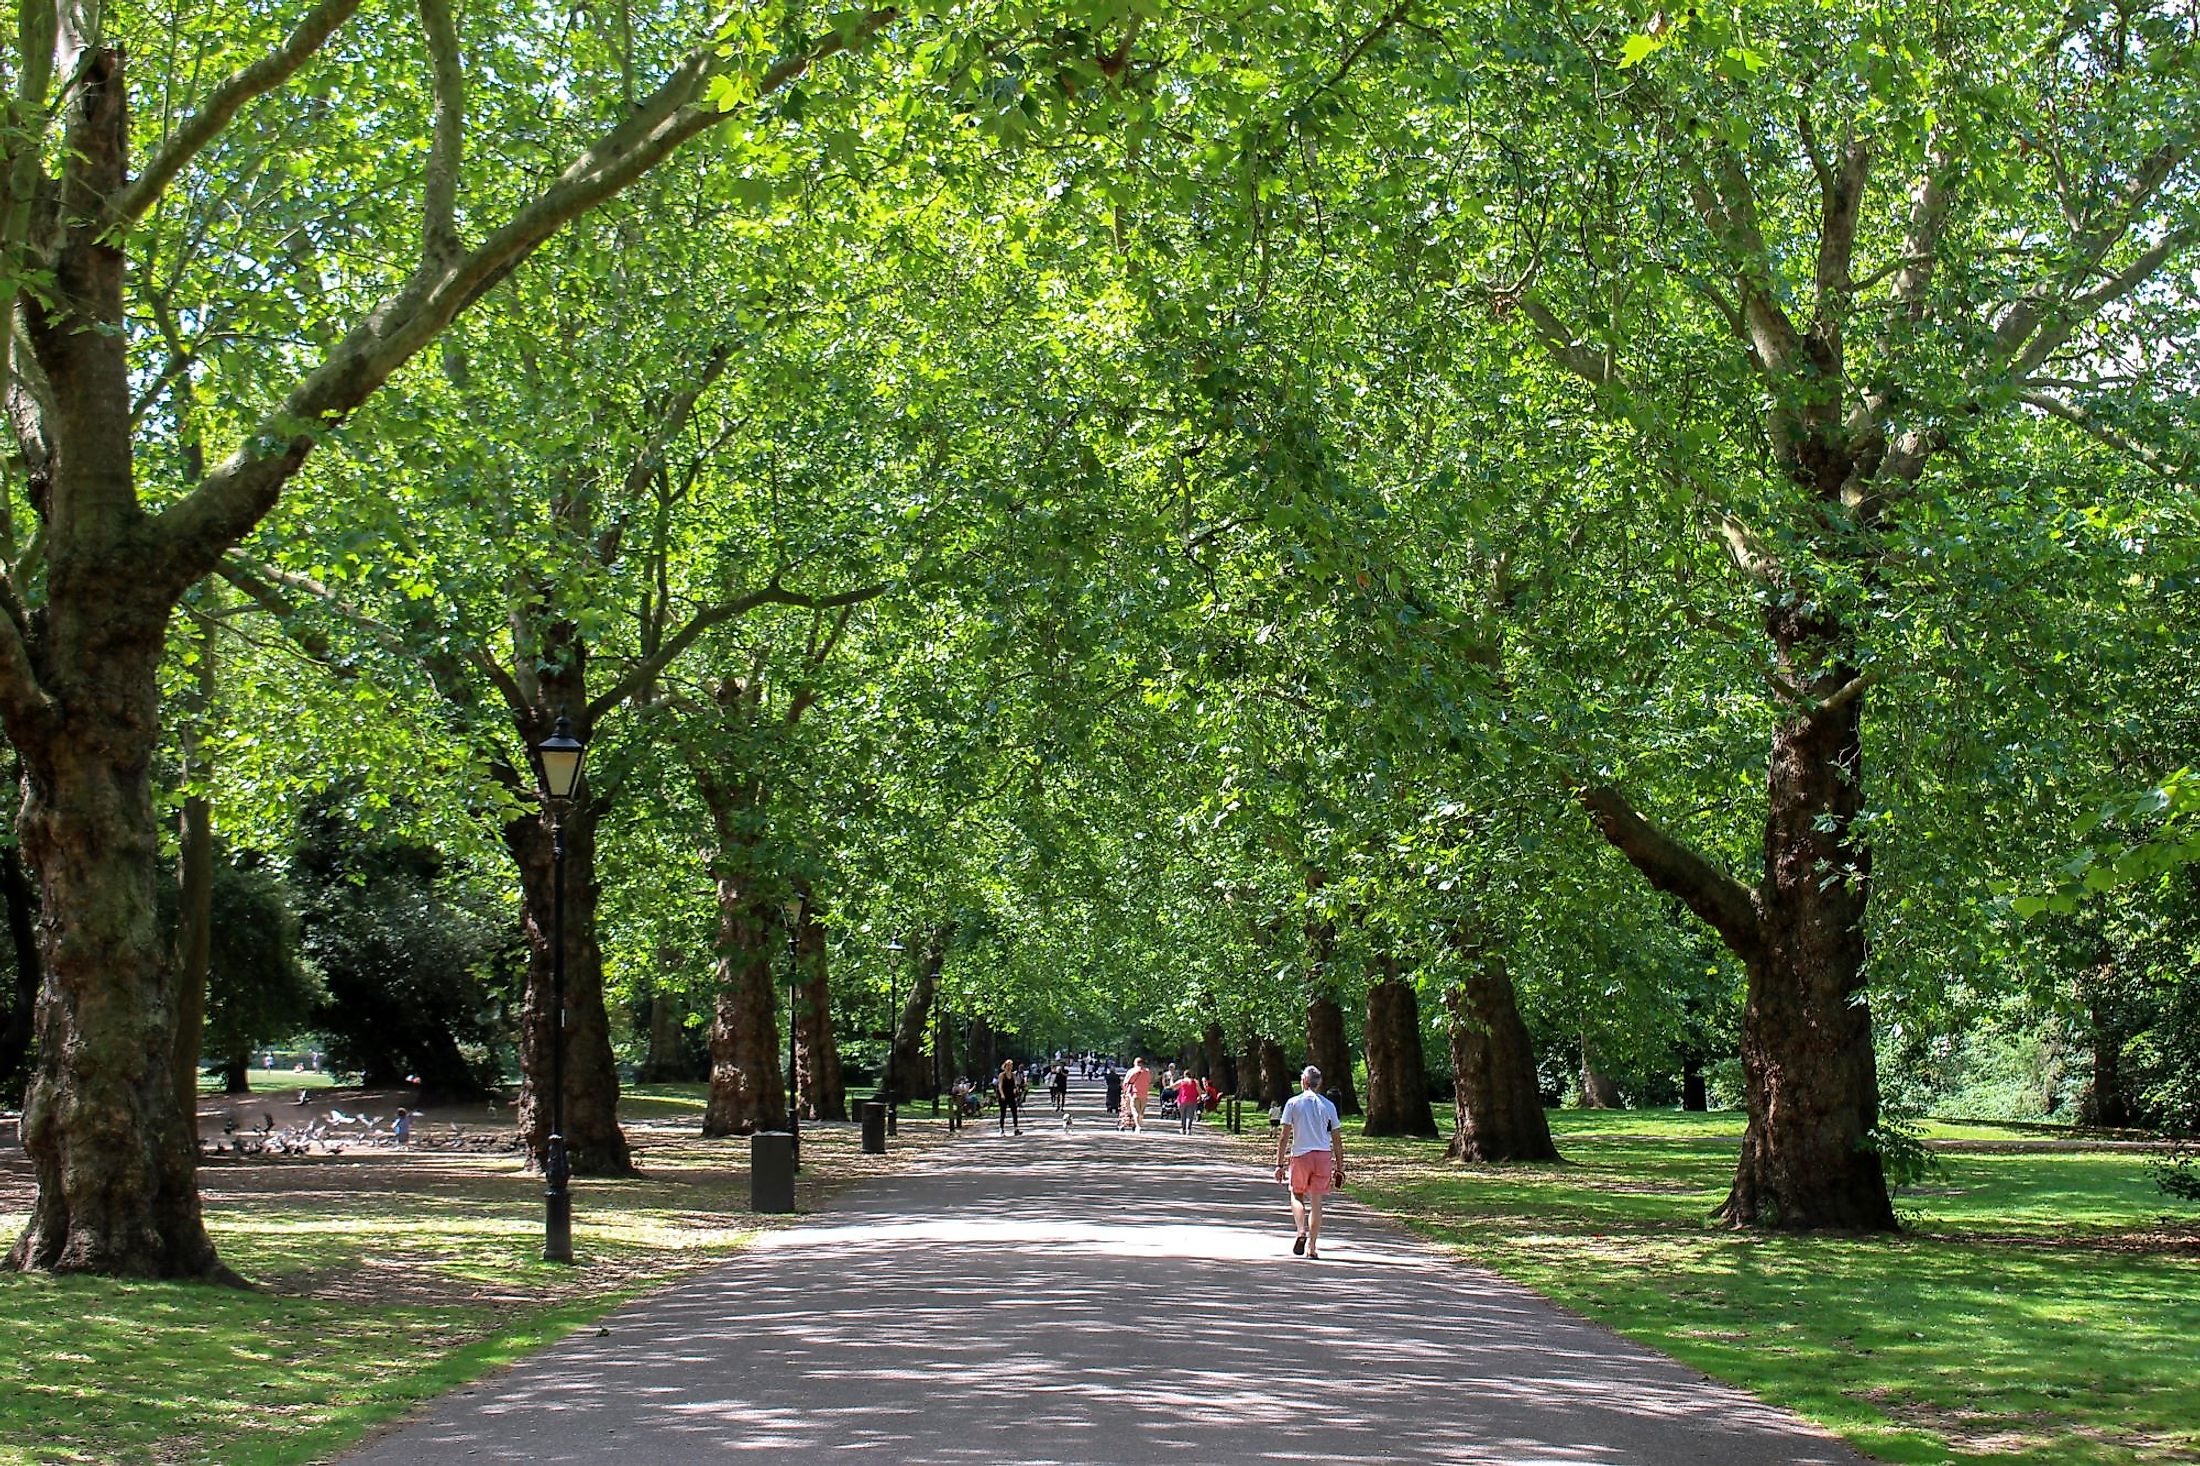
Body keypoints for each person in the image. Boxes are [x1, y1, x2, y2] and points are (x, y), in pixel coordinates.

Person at [1274, 1064, 1344, 1259]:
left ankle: (1300, 1231)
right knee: (1316, 1202)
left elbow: (1284, 1136)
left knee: (1296, 1195)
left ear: (1303, 1081)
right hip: (1322, 1156)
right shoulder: (1328, 1106)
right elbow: (1337, 1139)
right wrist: (1340, 1167)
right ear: (1319, 1083)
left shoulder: (1293, 1103)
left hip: (1301, 1155)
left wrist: (1279, 1164)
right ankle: (1312, 1247)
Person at [1124, 1057, 1153, 1131]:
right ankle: (1139, 1124)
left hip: (1135, 1093)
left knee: (1135, 1111)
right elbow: (1149, 1081)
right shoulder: (1147, 1071)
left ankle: (1138, 1126)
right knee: (1141, 1112)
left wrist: (1125, 1092)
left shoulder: (1132, 1071)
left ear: (1135, 1063)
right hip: (1144, 1094)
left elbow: (1126, 1082)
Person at [996, 1060, 1022, 1135]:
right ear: (1005, 1066)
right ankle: (1001, 1129)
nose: (1009, 1067)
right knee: (1003, 1113)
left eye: (1011, 1065)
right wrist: (1002, 1094)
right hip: (1003, 1095)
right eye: (1008, 1065)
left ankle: (1016, 1129)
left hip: (1011, 1095)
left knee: (1014, 1112)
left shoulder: (1013, 1075)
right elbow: (1000, 1086)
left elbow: (1015, 1084)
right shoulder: (1002, 1075)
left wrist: (1016, 1089)